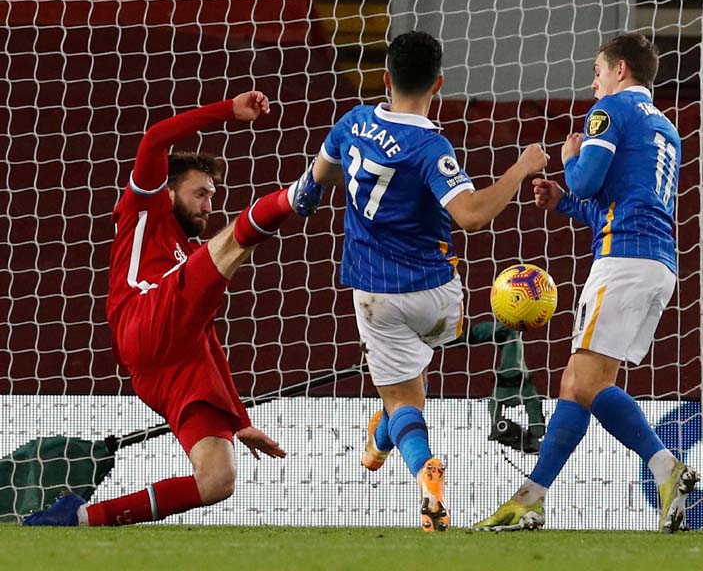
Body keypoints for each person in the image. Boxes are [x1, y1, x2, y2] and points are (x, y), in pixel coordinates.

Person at [292, 30, 549, 531]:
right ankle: (381, 438)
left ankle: (422, 467)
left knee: (405, 400)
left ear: (385, 79)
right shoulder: (430, 146)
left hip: (374, 294)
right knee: (418, 369)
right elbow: (470, 216)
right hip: (436, 297)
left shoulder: (352, 123)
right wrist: (521, 167)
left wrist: (303, 202)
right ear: (439, 84)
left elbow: (311, 187)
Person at [23, 91, 297, 526]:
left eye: (212, 195)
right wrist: (228, 111)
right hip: (141, 317)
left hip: (170, 367)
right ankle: (297, 194)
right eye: (201, 193)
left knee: (218, 481)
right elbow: (155, 139)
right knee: (223, 250)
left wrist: (238, 417)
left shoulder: (184, 252)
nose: (210, 204)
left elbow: (207, 341)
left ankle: (77, 519)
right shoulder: (145, 209)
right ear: (169, 190)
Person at [474, 32, 697, 534]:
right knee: (576, 385)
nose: (592, 81)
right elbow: (610, 201)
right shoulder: (665, 127)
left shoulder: (610, 112)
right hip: (657, 262)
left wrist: (570, 157)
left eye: (597, 70)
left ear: (620, 70)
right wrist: (562, 202)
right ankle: (530, 498)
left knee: (588, 383)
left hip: (623, 261)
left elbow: (586, 179)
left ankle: (666, 467)